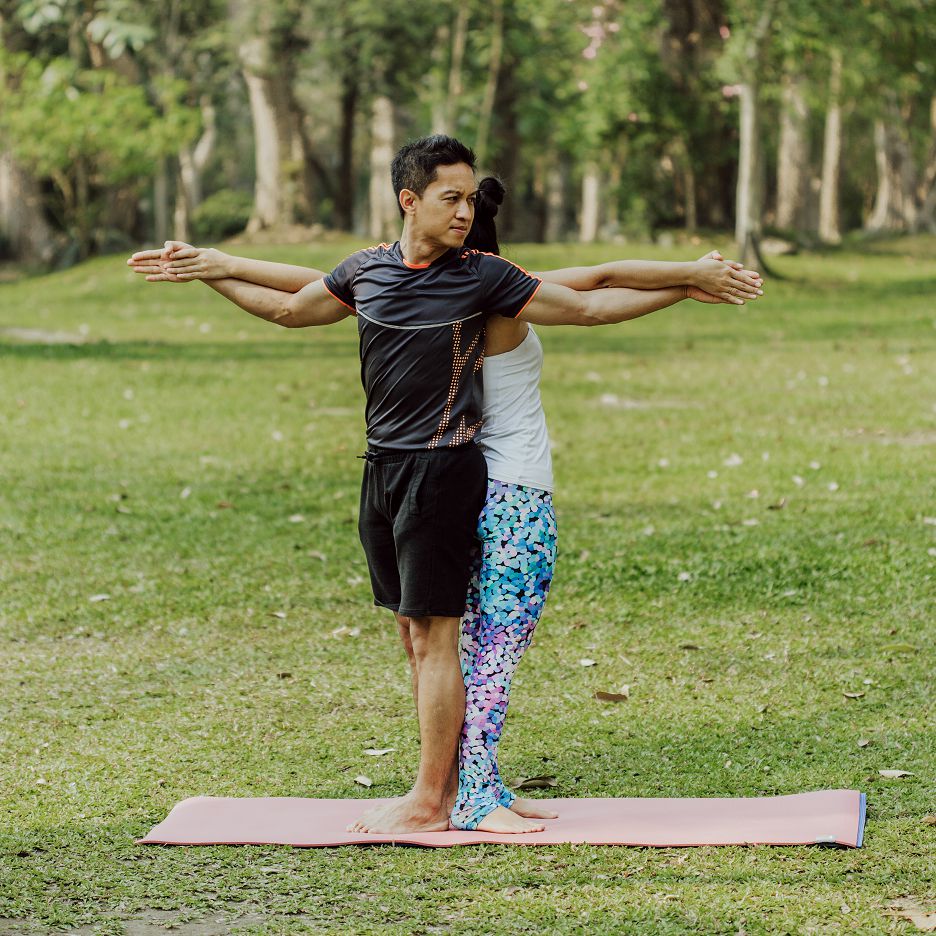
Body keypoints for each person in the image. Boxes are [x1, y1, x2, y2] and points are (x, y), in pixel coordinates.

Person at [128, 134, 763, 834]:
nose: (462, 212)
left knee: (437, 637)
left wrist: (686, 284)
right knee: (414, 634)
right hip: (381, 471)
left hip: (443, 471)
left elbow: (591, 302)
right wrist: (211, 267)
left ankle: (432, 801)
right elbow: (292, 302)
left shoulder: (482, 277)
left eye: (468, 200)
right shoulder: (368, 270)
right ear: (410, 200)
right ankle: (454, 784)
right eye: (449, 198)